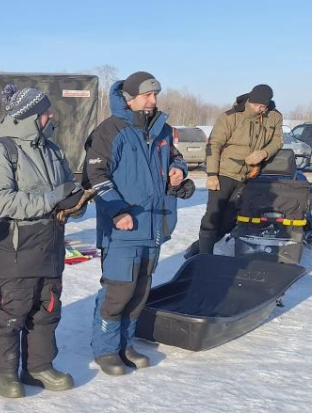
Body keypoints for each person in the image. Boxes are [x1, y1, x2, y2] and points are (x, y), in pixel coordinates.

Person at [83, 71, 193, 376]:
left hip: (155, 225)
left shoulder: (163, 130)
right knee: (118, 291)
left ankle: (126, 344)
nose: (153, 101)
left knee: (140, 291)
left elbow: (176, 158)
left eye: (155, 95)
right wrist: (117, 211)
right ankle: (106, 349)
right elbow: (94, 177)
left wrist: (178, 171)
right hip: (123, 228)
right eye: (147, 95)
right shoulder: (110, 131)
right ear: (130, 99)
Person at [0, 84, 84, 399]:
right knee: (12, 311)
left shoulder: (53, 150)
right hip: (16, 248)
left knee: (47, 309)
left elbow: (68, 187)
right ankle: (6, 372)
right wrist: (52, 199)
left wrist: (76, 202)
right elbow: (1, 202)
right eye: (45, 112)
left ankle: (39, 367)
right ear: (29, 116)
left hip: (51, 244)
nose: (50, 116)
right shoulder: (2, 152)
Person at [188, 84, 283, 257]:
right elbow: (213, 145)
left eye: (262, 106)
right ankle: (205, 257)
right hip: (224, 173)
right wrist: (212, 174)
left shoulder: (274, 117)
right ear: (249, 101)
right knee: (213, 216)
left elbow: (277, 141)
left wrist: (264, 153)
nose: (259, 109)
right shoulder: (230, 117)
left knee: (230, 221)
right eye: (255, 105)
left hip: (248, 176)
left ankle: (197, 248)